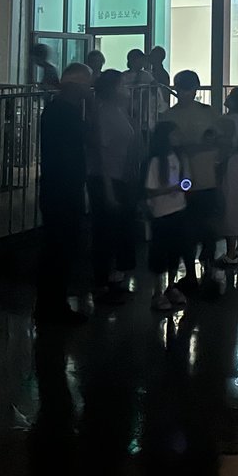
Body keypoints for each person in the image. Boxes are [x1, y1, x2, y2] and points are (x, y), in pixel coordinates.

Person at [35, 62, 92, 325]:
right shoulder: (65, 113)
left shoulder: (55, 110)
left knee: (56, 248)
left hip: (57, 186)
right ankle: (53, 306)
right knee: (60, 248)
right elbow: (80, 145)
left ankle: (50, 305)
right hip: (64, 189)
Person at [157, 70, 221, 289]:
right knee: (191, 229)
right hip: (186, 182)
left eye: (187, 89)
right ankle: (196, 272)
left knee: (203, 228)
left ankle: (202, 269)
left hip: (198, 180)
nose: (184, 93)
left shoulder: (203, 113)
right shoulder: (172, 116)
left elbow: (219, 140)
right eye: (182, 89)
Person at [90, 69, 139, 303]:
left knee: (118, 230)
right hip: (107, 179)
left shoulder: (117, 111)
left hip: (119, 178)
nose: (126, 89)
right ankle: (103, 282)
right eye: (122, 85)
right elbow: (101, 153)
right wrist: (108, 188)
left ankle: (113, 279)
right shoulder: (105, 114)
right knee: (106, 231)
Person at [142, 121, 190, 312]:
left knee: (174, 251)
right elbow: (150, 190)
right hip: (161, 213)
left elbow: (185, 180)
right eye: (174, 134)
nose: (178, 137)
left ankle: (171, 286)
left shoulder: (178, 157)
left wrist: (184, 184)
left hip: (179, 208)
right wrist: (173, 188)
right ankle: (157, 291)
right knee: (160, 253)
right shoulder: (156, 161)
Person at [215, 87, 238, 267]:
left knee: (228, 206)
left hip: (226, 164)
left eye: (230, 96)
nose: (227, 98)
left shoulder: (226, 120)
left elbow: (222, 146)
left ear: (235, 102)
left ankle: (230, 253)